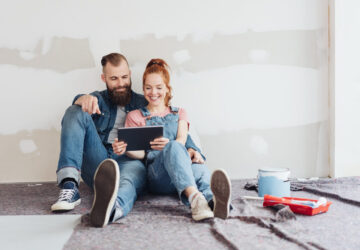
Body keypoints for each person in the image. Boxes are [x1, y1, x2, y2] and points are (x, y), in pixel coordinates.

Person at [51, 53, 204, 227]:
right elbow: (79, 107)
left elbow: (172, 124)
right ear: (104, 78)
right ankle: (69, 186)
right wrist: (81, 98)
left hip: (131, 160)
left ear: (130, 74)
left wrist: (192, 149)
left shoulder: (145, 101)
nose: (121, 83)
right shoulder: (98, 99)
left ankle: (112, 209)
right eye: (114, 78)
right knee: (74, 111)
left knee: (129, 181)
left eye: (124, 77)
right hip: (99, 159)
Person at [113, 58, 232, 221]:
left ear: (167, 89)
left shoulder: (179, 113)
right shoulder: (135, 116)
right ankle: (195, 200)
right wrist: (126, 147)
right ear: (143, 88)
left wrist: (188, 151)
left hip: (181, 169)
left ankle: (214, 202)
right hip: (157, 174)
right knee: (173, 147)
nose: (153, 93)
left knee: (198, 166)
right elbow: (141, 155)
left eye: (158, 87)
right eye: (148, 88)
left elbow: (182, 140)